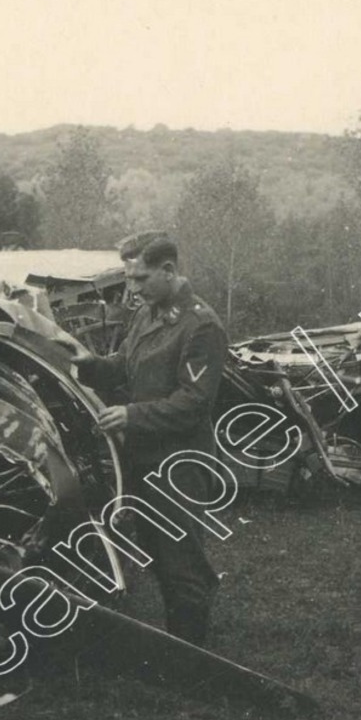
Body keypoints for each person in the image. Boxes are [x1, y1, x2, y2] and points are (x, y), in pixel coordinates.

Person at [73, 234, 229, 646]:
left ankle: (193, 656)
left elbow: (194, 403)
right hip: (145, 457)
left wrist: (131, 415)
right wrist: (84, 366)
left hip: (180, 462)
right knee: (158, 555)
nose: (133, 288)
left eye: (140, 278)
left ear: (169, 271)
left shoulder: (201, 326)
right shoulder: (146, 314)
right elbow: (123, 365)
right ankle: (179, 642)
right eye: (129, 278)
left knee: (182, 560)